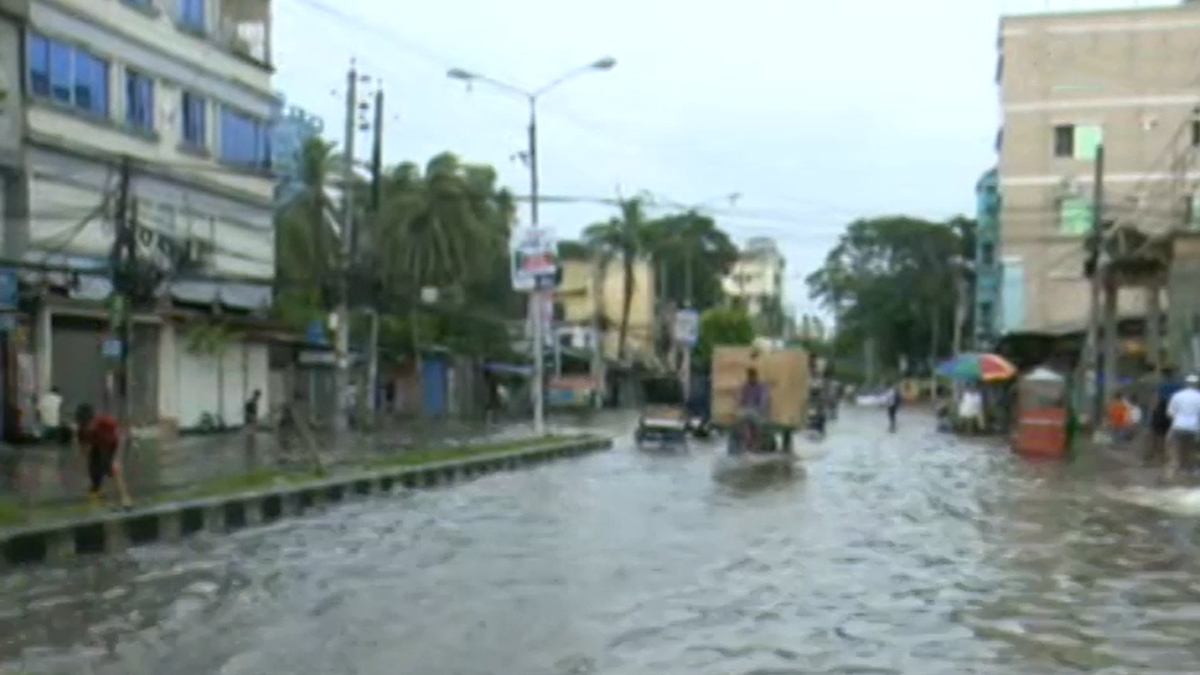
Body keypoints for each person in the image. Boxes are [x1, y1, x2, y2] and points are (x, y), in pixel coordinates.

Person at [75, 403, 133, 509]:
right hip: (98, 445)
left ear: (94, 419)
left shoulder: (106, 422)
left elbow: (122, 437)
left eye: (89, 425)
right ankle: (97, 494)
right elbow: (84, 449)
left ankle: (125, 498)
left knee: (113, 468)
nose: (88, 428)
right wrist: (88, 465)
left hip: (115, 443)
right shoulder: (81, 431)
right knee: (94, 471)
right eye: (84, 426)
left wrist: (117, 459)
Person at [1165, 374, 1200, 480]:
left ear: (1186, 384)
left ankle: (1173, 472)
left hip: (1178, 426)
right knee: (1190, 450)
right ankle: (1188, 472)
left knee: (1175, 450)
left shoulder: (1177, 395)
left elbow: (1170, 413)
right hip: (1194, 428)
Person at [1149, 367, 1181, 465]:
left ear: (1163, 375)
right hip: (1174, 410)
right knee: (1172, 435)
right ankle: (1170, 457)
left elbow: (1155, 399)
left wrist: (1153, 411)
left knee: (1158, 435)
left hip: (1162, 409)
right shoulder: (1178, 385)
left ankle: (1160, 457)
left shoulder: (1160, 385)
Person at [737, 368, 771, 452]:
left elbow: (764, 402)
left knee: (756, 422)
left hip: (758, 412)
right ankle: (747, 442)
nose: (751, 378)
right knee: (744, 419)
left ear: (755, 376)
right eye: (749, 376)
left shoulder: (761, 387)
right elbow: (741, 400)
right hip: (748, 412)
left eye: (752, 376)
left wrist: (760, 410)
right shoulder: (745, 387)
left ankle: (756, 443)